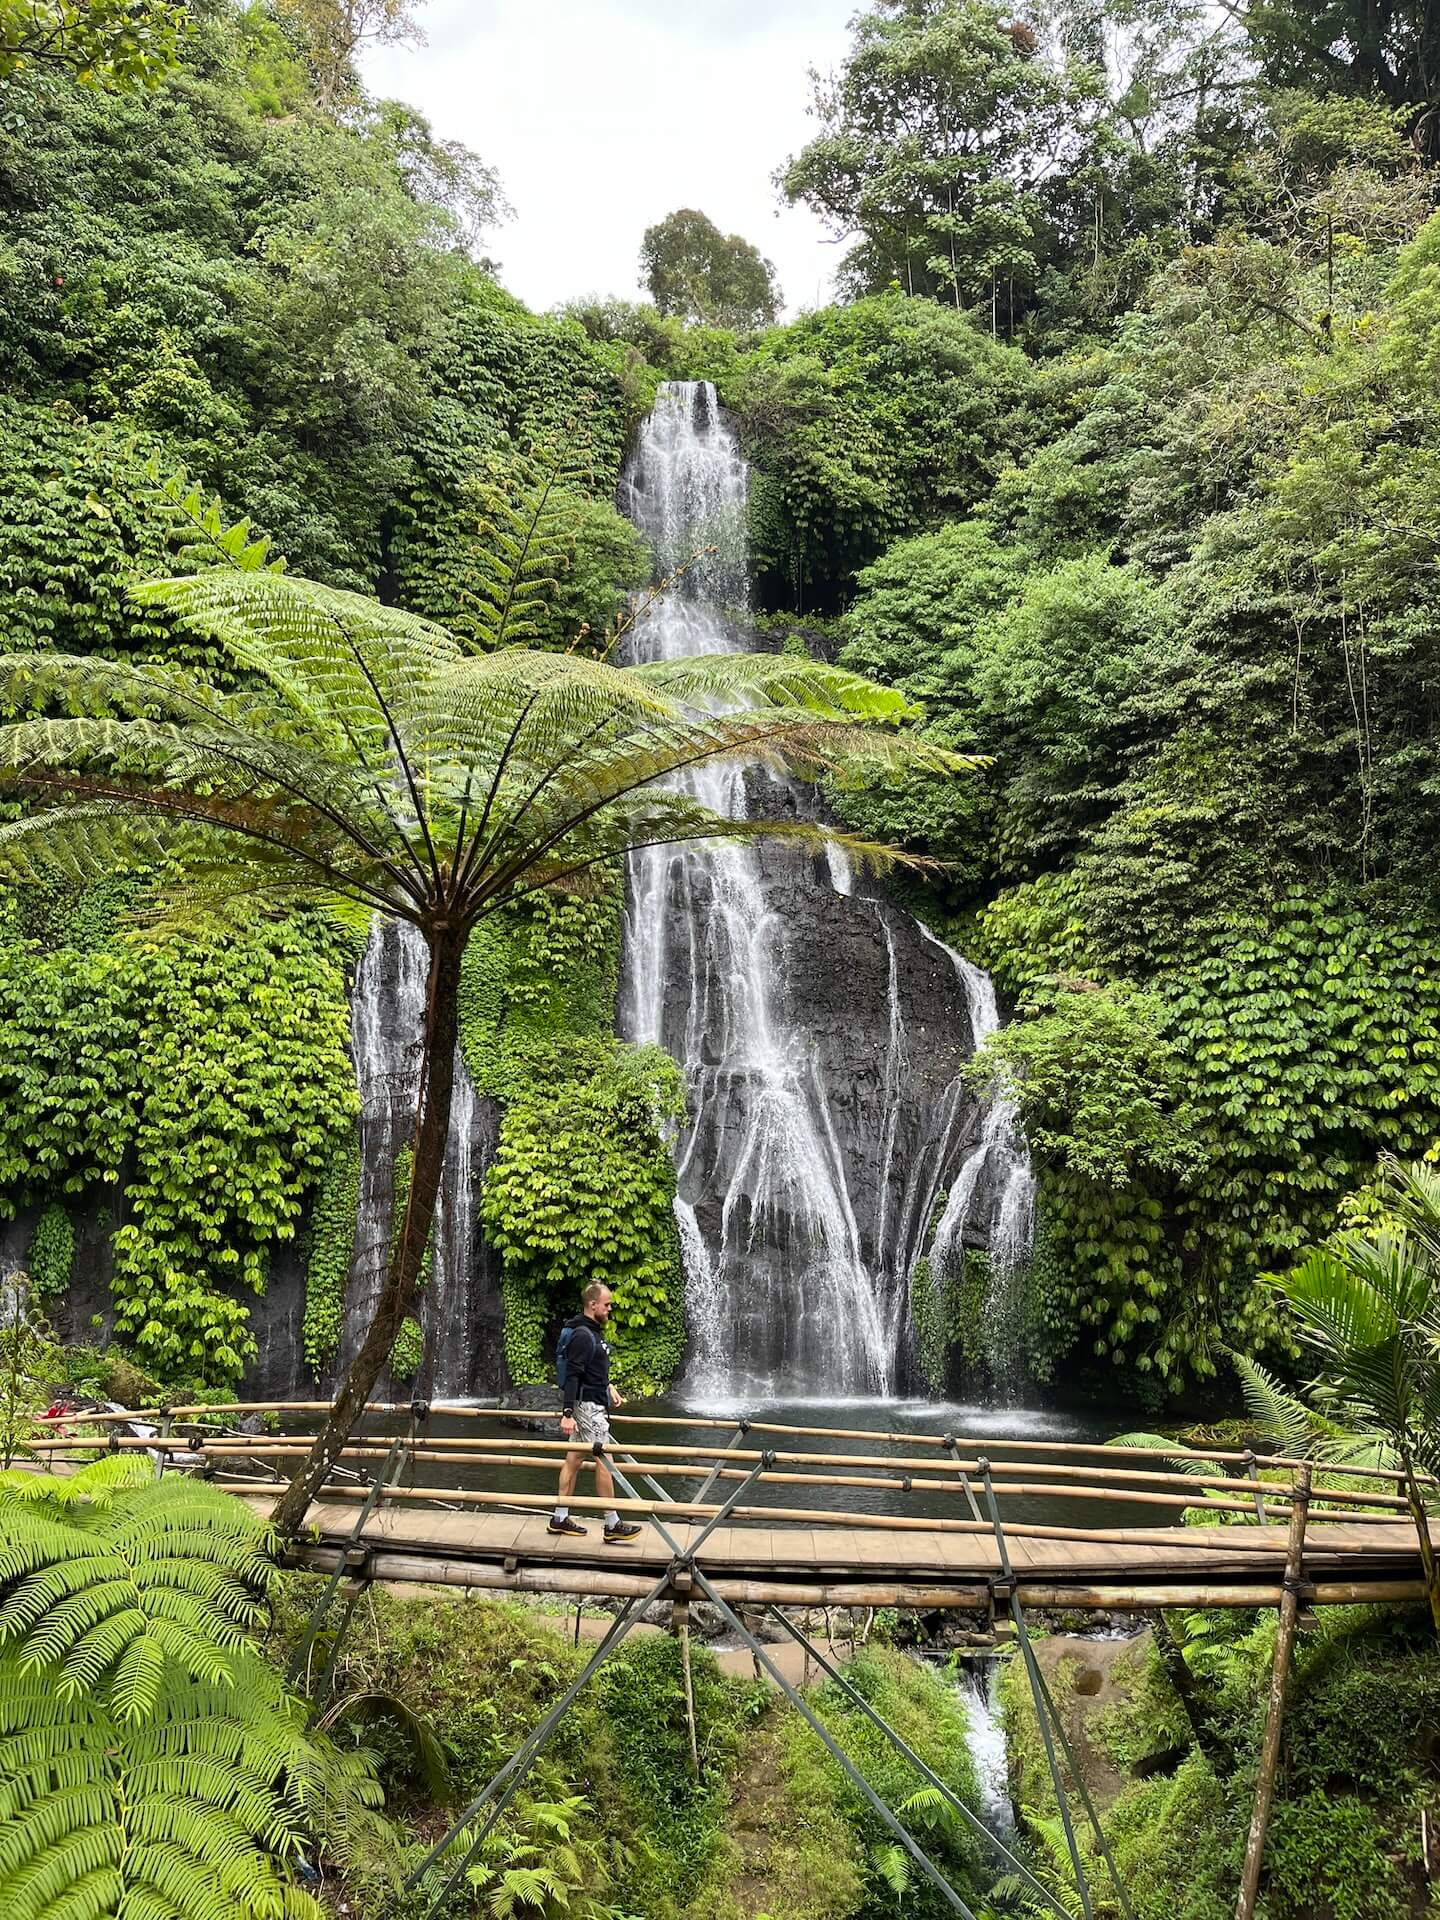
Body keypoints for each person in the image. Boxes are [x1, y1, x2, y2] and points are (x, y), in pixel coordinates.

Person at [549, 1282, 643, 1544]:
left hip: (591, 1402)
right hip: (588, 1408)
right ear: (593, 1305)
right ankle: (612, 1523)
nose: (610, 1308)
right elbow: (573, 1375)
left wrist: (608, 1386)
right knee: (605, 1461)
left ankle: (559, 1517)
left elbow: (592, 1369)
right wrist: (567, 1413)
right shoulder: (582, 1334)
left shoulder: (591, 1331)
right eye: (607, 1304)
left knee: (574, 1459)